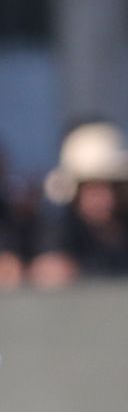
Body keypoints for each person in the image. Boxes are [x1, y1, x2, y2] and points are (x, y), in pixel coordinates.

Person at [29, 119, 128, 287]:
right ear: (75, 191)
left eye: (114, 186)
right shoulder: (57, 232)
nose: (107, 197)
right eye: (94, 187)